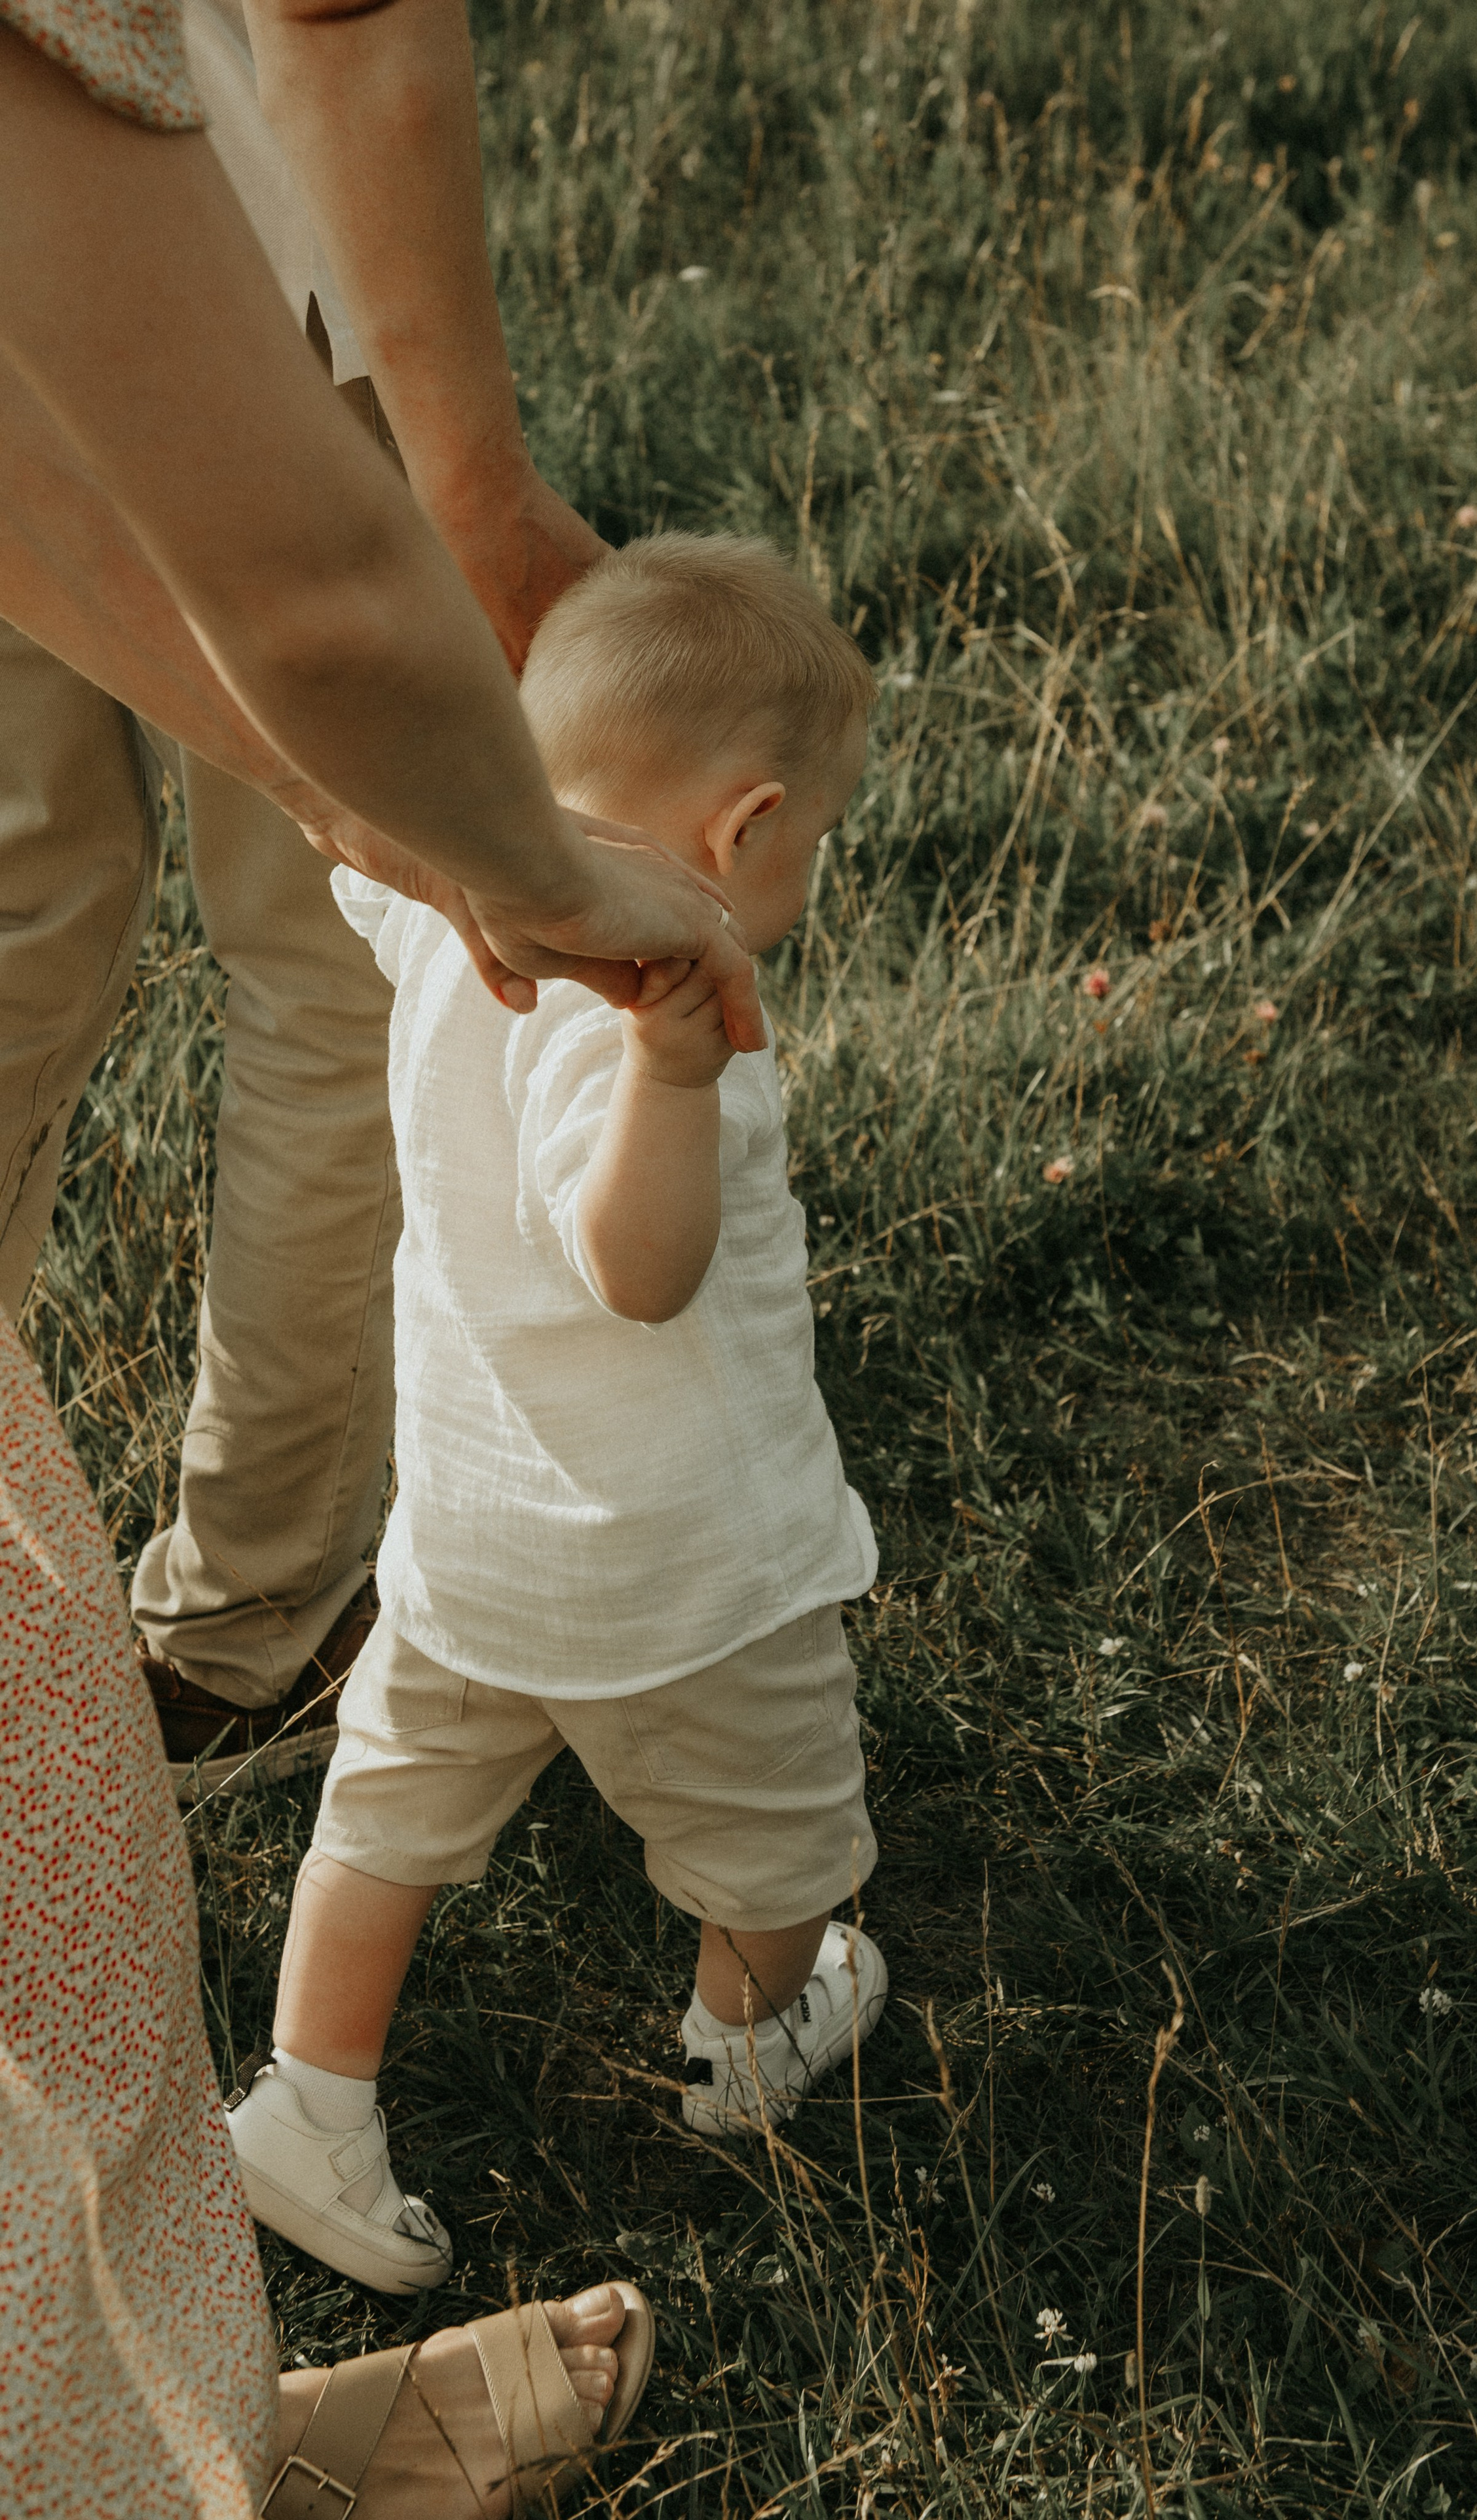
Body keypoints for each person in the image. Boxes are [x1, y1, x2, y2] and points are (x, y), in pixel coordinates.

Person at [0, 6, 767, 2509]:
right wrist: (548, 877)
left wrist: (396, 826)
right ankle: (149, 2460)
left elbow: (38, 507)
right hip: (251, 400)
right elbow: (312, 580)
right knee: (60, 1904)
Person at [225, 536, 889, 2294]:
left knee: (386, 1819)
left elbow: (336, 823)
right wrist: (679, 1072)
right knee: (779, 1827)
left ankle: (311, 2102)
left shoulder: (450, 900)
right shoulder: (661, 1009)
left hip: (464, 1535)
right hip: (689, 1573)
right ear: (744, 833)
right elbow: (639, 1268)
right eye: (810, 842)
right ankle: (748, 2043)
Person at [0, 0, 614, 1799]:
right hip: (239, 254)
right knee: (333, 971)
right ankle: (245, 1630)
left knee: (17, 919)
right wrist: (477, 492)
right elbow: (343, 15)